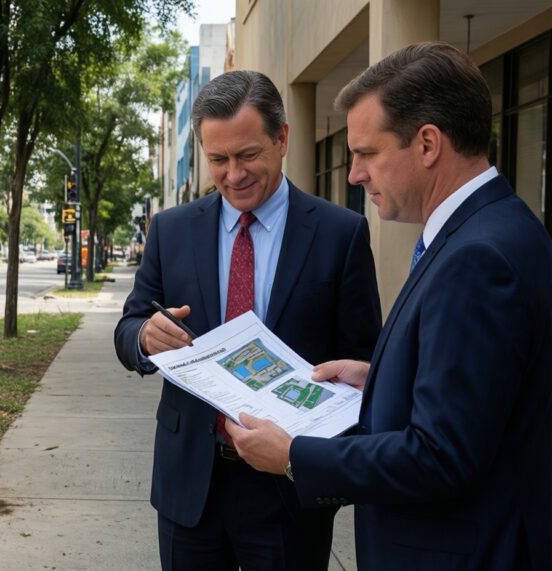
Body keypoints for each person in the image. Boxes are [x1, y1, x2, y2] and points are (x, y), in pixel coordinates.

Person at [227, 42, 552, 571]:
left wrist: (293, 457)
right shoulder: (495, 228)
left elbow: (442, 455)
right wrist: (381, 377)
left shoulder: (477, 258)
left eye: (367, 153)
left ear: (427, 143)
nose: (354, 174)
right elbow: (479, 397)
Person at [114, 70, 382, 570]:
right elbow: (130, 326)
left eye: (248, 155)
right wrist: (144, 338)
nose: (233, 174)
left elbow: (365, 360)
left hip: (288, 489)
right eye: (218, 160)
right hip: (190, 481)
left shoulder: (339, 233)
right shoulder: (171, 231)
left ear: (282, 139)